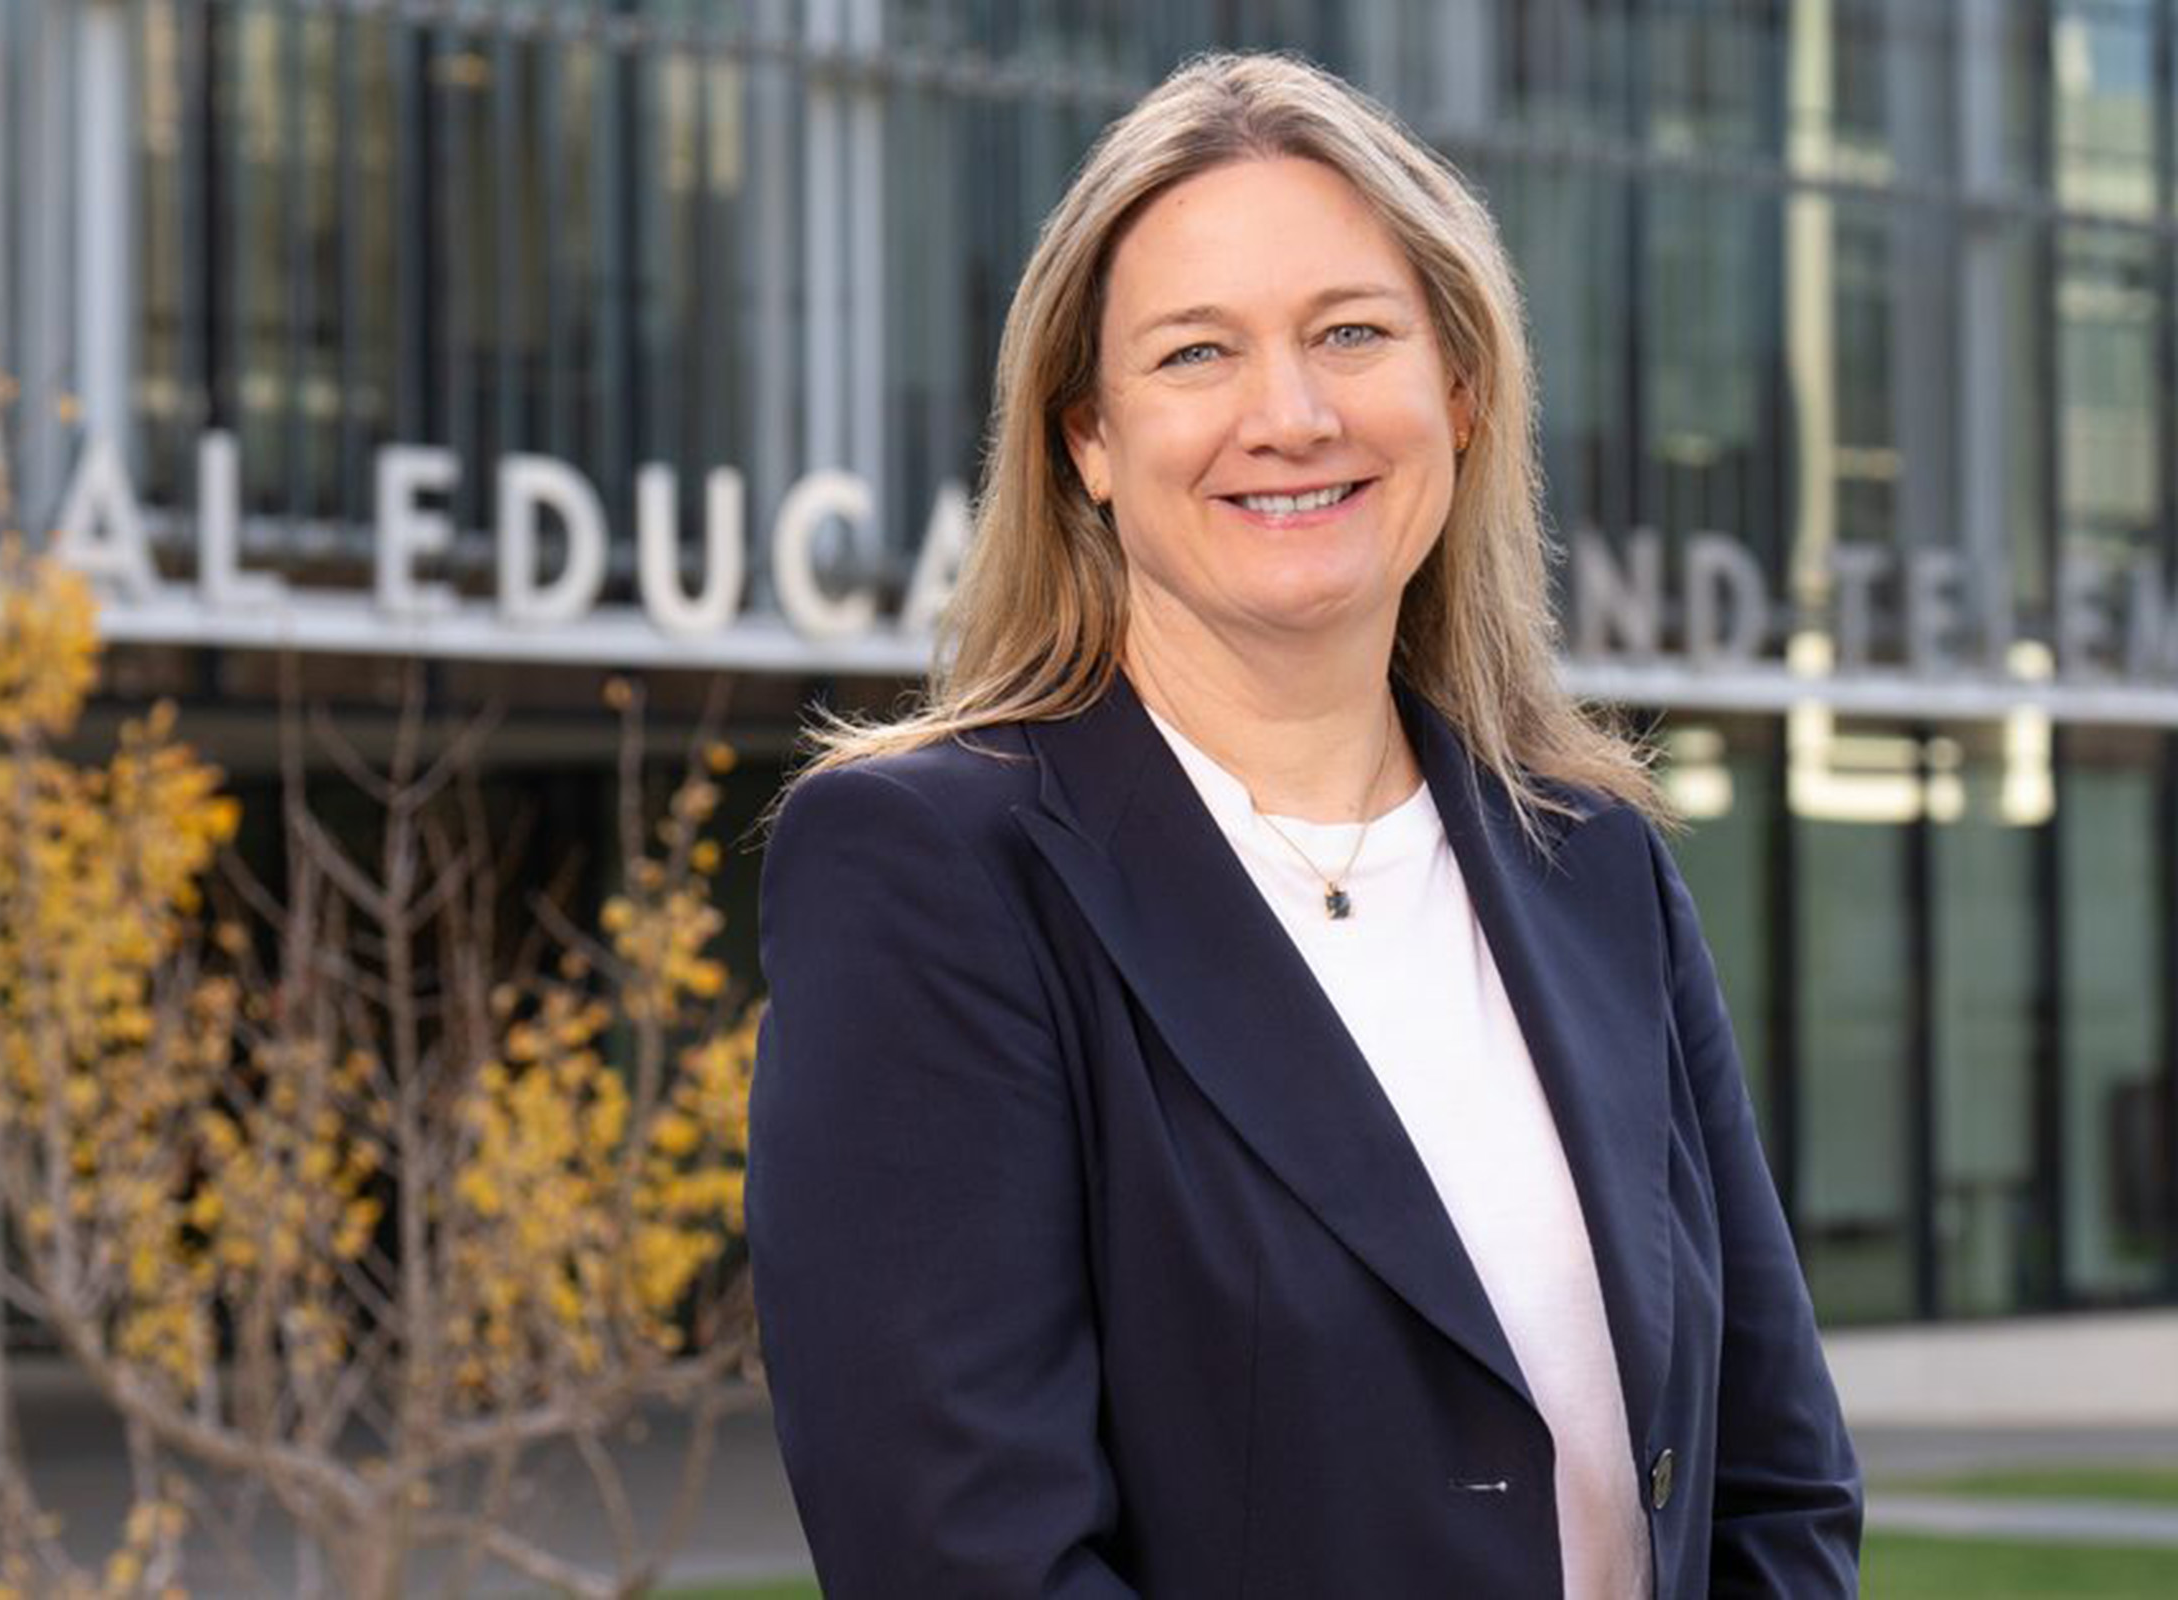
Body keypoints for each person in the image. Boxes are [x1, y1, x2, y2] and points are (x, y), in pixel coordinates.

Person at [745, 50, 1862, 1600]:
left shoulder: (1593, 861)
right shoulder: (932, 874)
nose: (1291, 414)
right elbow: (969, 1556)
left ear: (1459, 393)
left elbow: (1778, 1487)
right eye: (1197, 354)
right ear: (1088, 440)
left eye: (1352, 333)